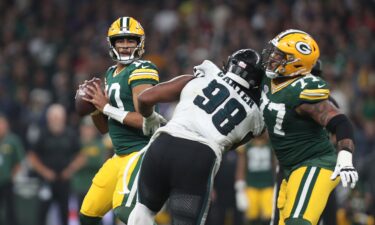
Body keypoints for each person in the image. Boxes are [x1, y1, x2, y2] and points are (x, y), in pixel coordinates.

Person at [128, 48, 265, 225]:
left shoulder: (203, 76)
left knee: (143, 211)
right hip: (199, 156)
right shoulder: (255, 113)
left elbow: (145, 98)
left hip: (164, 144)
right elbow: (232, 144)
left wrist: (150, 118)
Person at [260, 29, 358, 225]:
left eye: (280, 56)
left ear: (296, 62)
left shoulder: (304, 91)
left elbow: (340, 121)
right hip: (289, 167)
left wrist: (345, 157)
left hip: (314, 163)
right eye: (273, 52)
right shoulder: (269, 80)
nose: (272, 58)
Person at [79, 17, 165, 225]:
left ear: (139, 43)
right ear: (112, 43)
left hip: (141, 152)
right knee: (88, 214)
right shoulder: (111, 73)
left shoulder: (142, 69)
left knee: (127, 213)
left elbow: (145, 121)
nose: (125, 46)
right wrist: (94, 107)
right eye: (120, 40)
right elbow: (104, 129)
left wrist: (107, 107)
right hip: (119, 155)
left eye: (130, 40)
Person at [28, 104, 81, 225]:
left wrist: (70, 170)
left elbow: (81, 155)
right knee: (41, 214)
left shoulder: (70, 133)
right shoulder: (42, 134)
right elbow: (32, 155)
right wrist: (44, 171)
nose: (56, 120)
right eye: (53, 117)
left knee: (64, 214)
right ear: (48, 119)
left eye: (58, 117)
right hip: (46, 181)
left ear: (64, 118)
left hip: (64, 180)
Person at [236, 132, 275, 225]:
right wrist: (240, 187)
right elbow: (241, 166)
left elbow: (275, 165)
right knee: (252, 216)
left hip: (268, 184)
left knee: (269, 215)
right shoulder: (246, 147)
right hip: (251, 184)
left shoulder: (271, 145)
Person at [0, 113, 24, 225]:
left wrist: (12, 176)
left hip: (7, 181)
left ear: (6, 125)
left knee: (11, 211)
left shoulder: (13, 140)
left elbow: (19, 161)